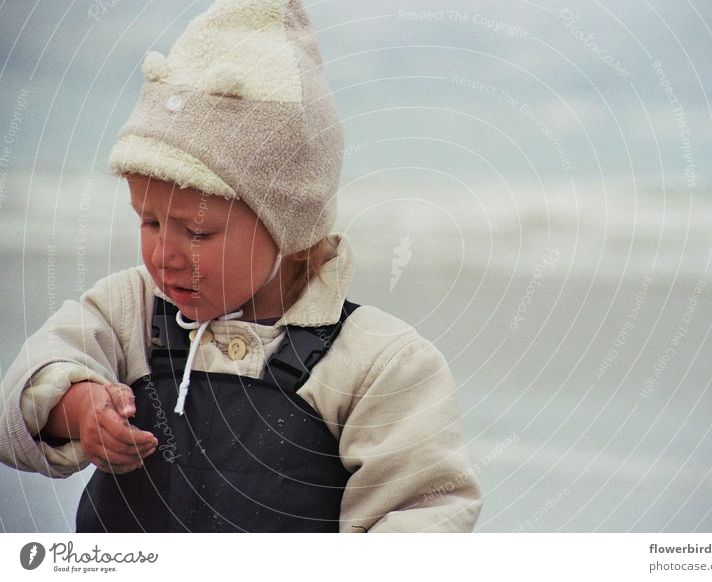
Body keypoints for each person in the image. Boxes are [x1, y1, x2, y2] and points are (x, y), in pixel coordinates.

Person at [0, 0, 481, 532]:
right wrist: (80, 405)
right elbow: (19, 399)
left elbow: (426, 512)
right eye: (149, 222)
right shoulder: (127, 312)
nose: (164, 255)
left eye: (199, 231)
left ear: (290, 230)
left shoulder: (377, 364)